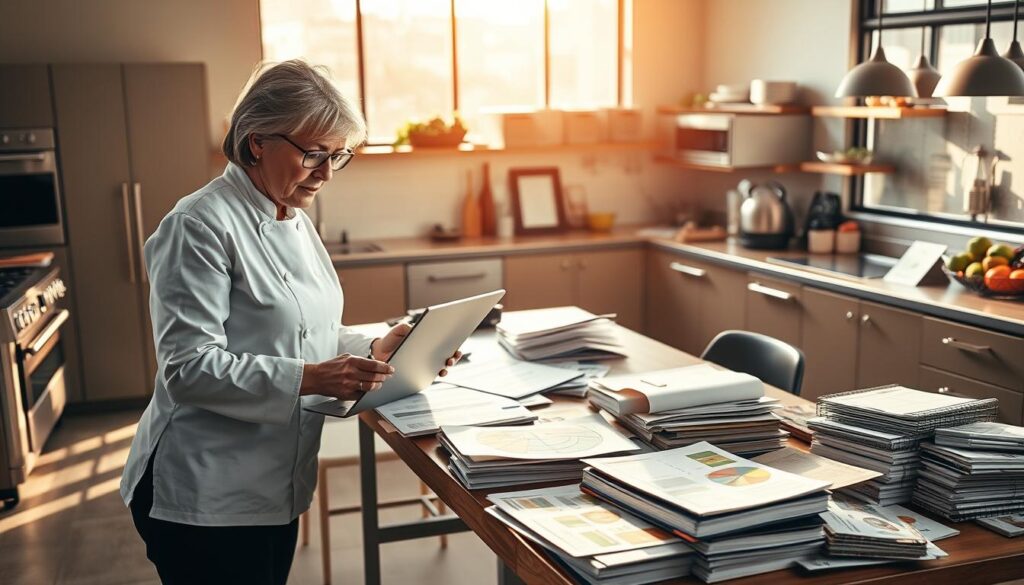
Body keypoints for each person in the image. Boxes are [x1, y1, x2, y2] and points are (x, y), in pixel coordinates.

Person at [119, 60, 458, 585]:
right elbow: (188, 368)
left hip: (274, 486)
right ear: (257, 141)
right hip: (207, 493)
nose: (326, 173)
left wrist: (377, 344)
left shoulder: (292, 216)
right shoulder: (198, 225)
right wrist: (312, 377)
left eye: (337, 155)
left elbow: (309, 332)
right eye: (314, 154)